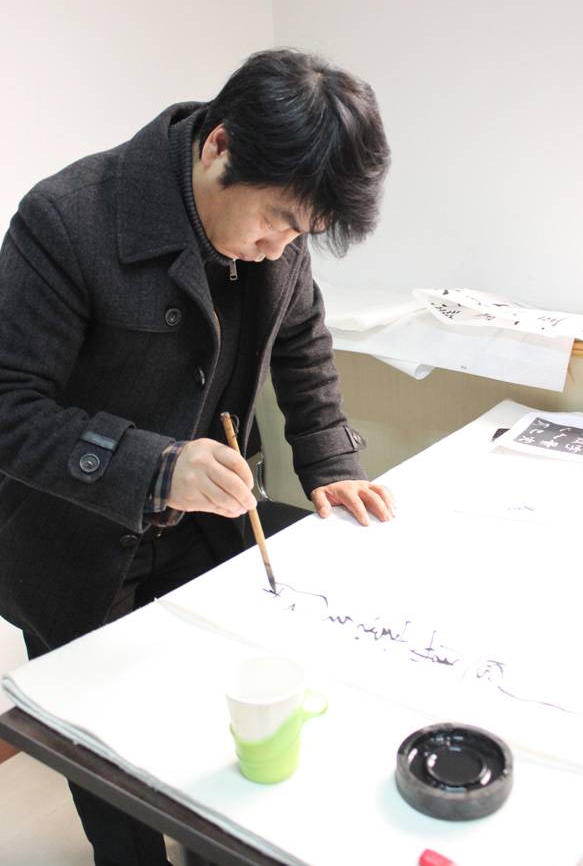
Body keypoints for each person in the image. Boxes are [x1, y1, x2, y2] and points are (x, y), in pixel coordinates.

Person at [0, 48, 393, 865]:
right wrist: (154, 466)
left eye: (301, 234)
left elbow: (302, 342)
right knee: (107, 761)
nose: (280, 247)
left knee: (215, 722)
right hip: (72, 540)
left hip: (206, 529)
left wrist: (331, 462)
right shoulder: (67, 218)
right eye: (276, 222)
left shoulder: (279, 229)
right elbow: (9, 406)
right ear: (219, 146)